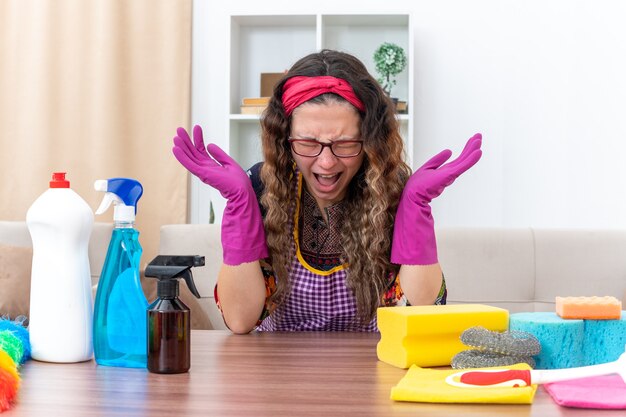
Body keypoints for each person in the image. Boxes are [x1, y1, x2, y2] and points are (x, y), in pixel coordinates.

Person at [172, 49, 482, 334]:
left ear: (370, 140)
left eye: (345, 144)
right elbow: (239, 321)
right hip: (274, 371)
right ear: (284, 139)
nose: (326, 161)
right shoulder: (261, 187)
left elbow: (423, 311)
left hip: (372, 369)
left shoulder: (391, 186)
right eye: (307, 143)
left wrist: (416, 206)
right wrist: (240, 204)